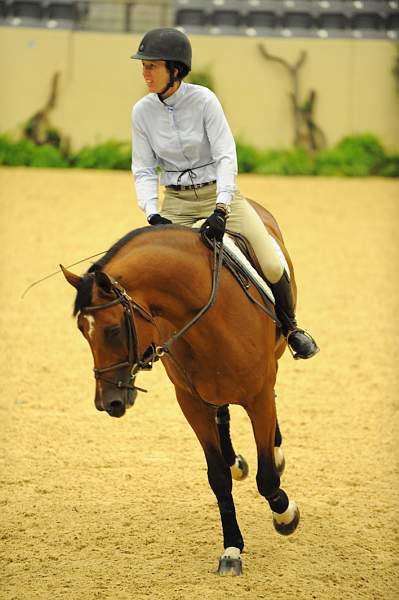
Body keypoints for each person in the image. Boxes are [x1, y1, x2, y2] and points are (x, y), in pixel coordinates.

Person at [130, 28, 318, 360]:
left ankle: (290, 328)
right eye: (143, 66)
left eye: (152, 66)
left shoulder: (204, 101)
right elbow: (144, 170)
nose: (145, 73)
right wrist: (152, 213)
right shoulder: (141, 113)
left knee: (272, 262)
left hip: (219, 196)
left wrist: (221, 207)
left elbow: (225, 155)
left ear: (175, 69)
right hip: (174, 202)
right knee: (150, 274)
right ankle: (149, 345)